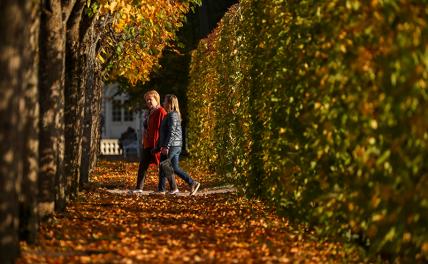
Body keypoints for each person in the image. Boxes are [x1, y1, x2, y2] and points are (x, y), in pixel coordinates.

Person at [155, 94, 200, 195]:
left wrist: (166, 146)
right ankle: (192, 182)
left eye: (165, 101)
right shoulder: (172, 115)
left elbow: (172, 132)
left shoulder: (172, 115)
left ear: (170, 103)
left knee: (164, 165)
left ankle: (163, 190)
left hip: (172, 146)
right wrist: (159, 146)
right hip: (175, 145)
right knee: (174, 168)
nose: (163, 103)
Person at [134, 90, 167, 192]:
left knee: (165, 165)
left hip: (157, 144)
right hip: (148, 144)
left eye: (150, 99)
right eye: (147, 100)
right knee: (143, 165)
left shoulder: (161, 111)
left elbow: (163, 129)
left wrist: (163, 145)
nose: (148, 102)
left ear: (156, 99)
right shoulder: (151, 112)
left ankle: (175, 187)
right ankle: (139, 188)